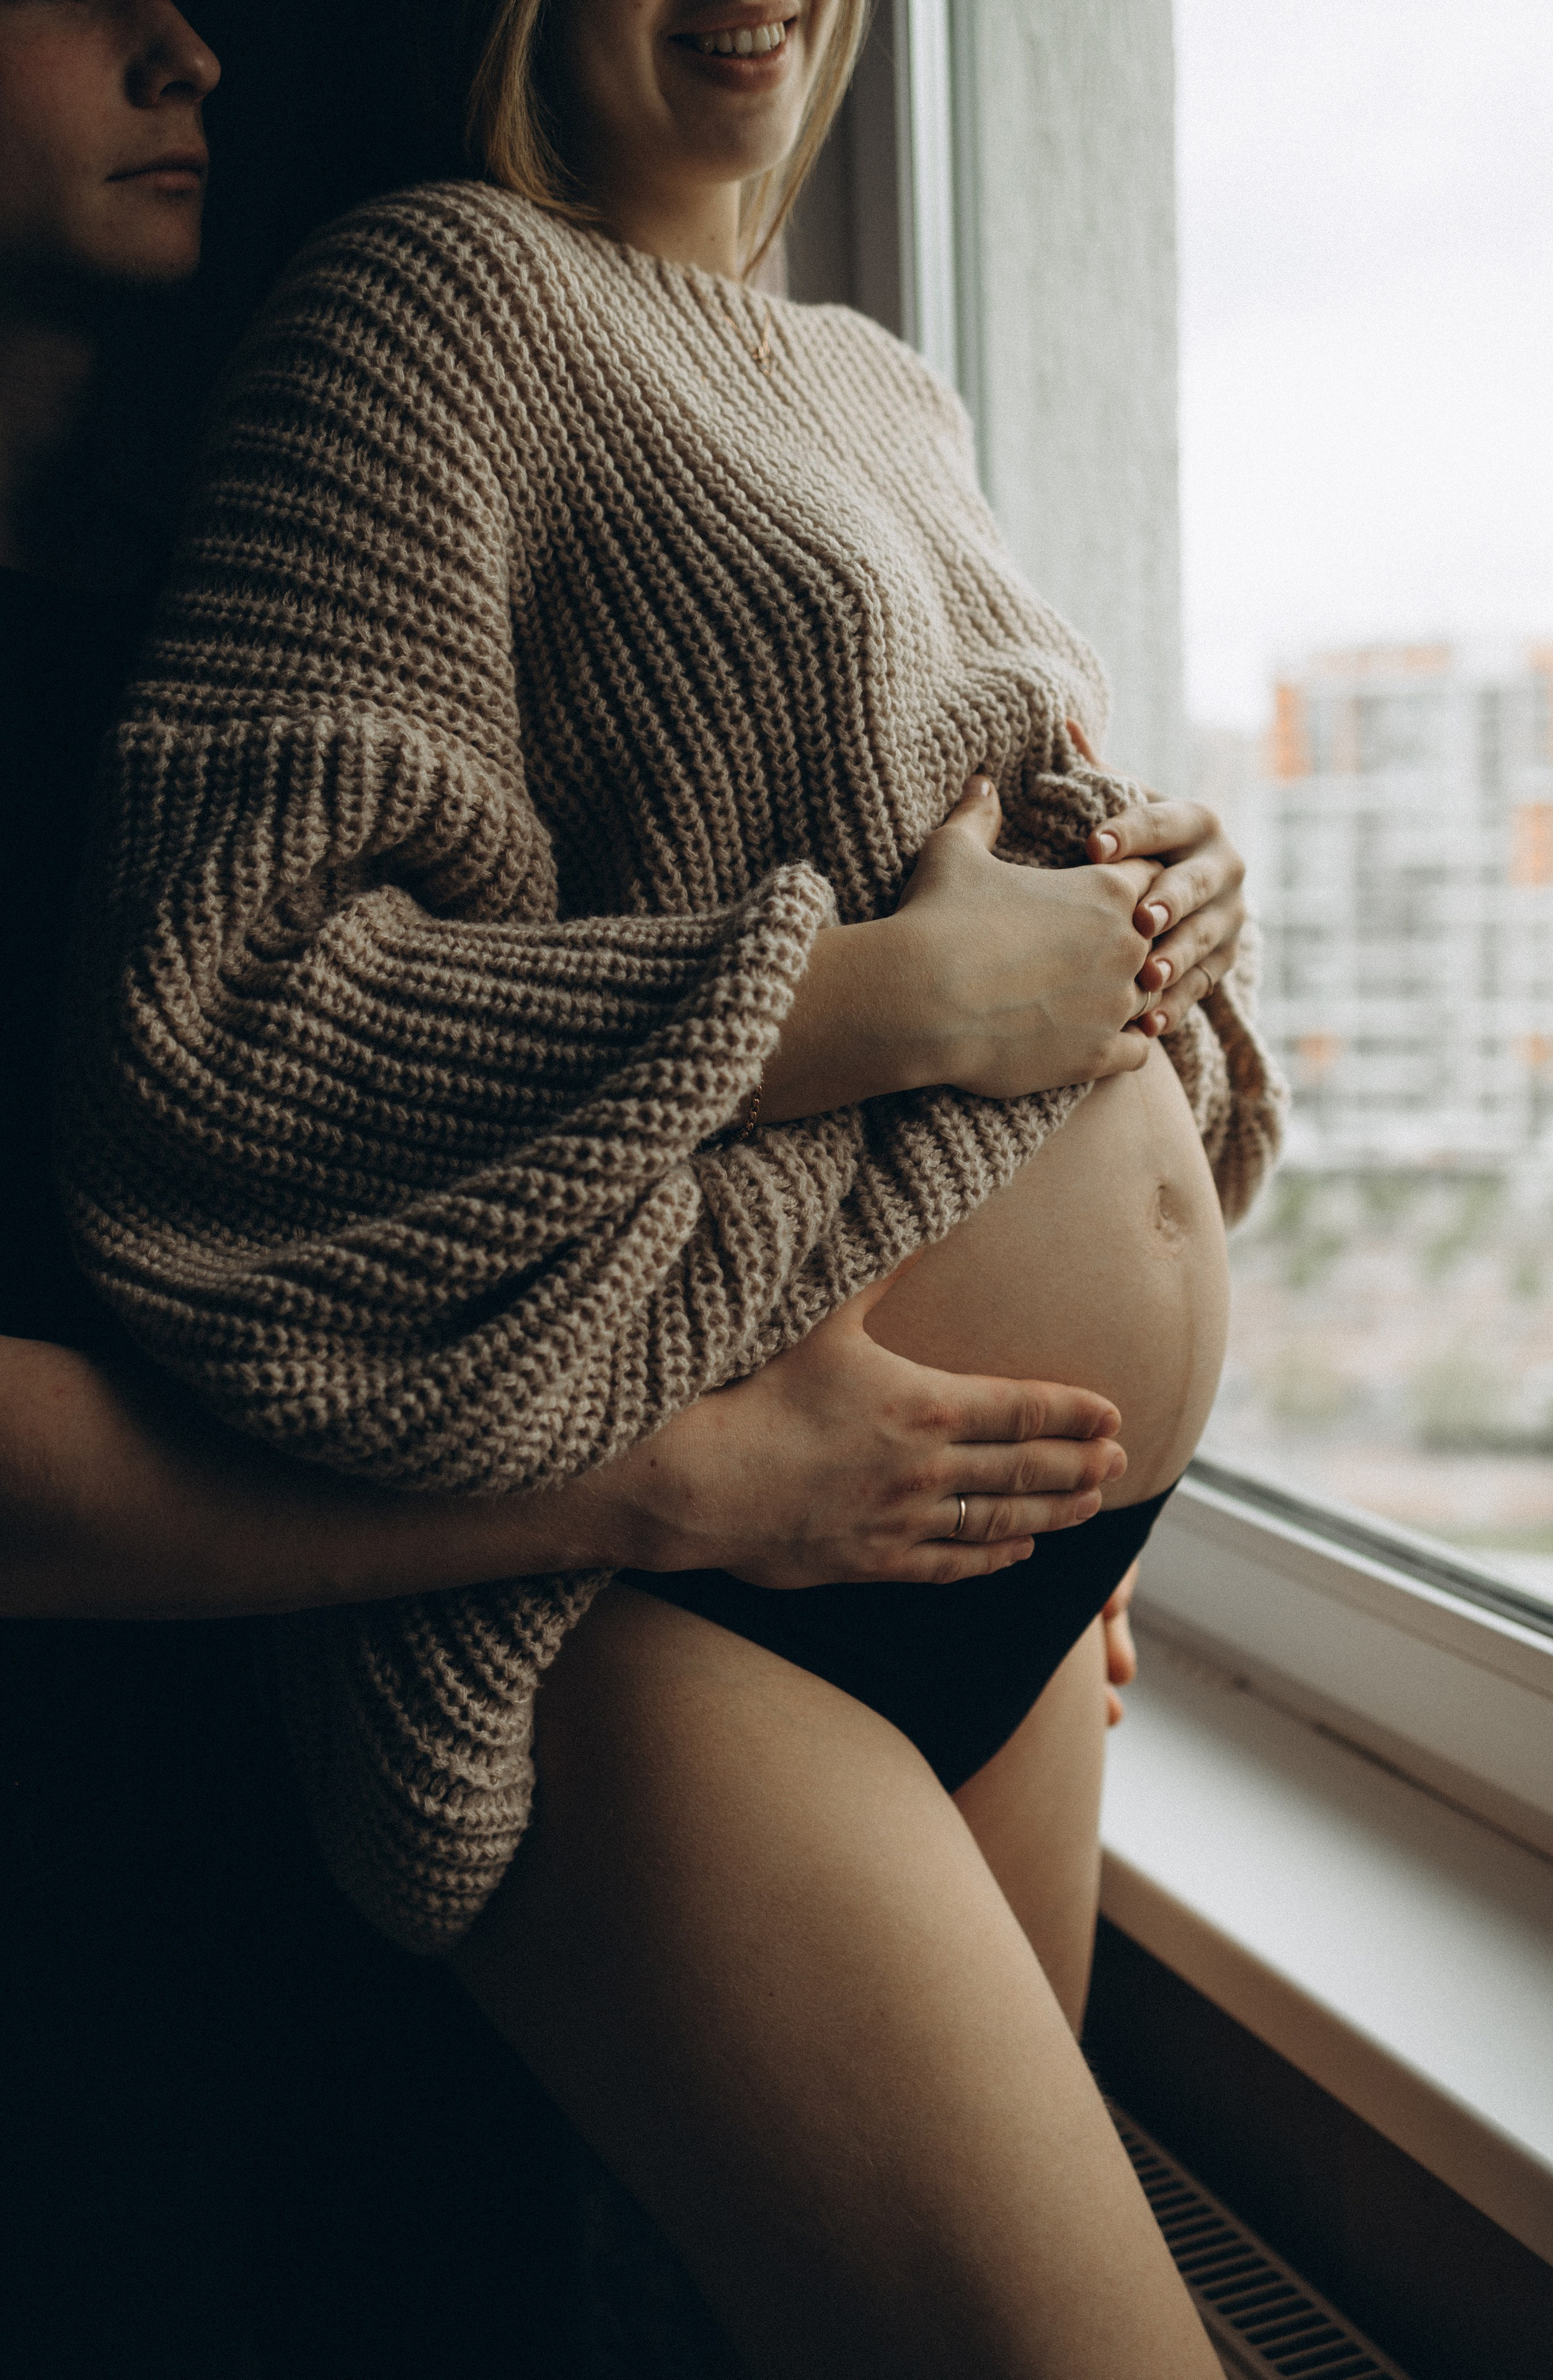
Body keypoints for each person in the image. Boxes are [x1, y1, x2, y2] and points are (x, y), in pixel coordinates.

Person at [53, 1, 1283, 2371]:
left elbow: (980, 895)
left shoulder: (884, 388)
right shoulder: (424, 304)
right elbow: (229, 1016)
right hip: (677, 1589)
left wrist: (1168, 909)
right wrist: (893, 1000)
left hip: (1003, 1545)